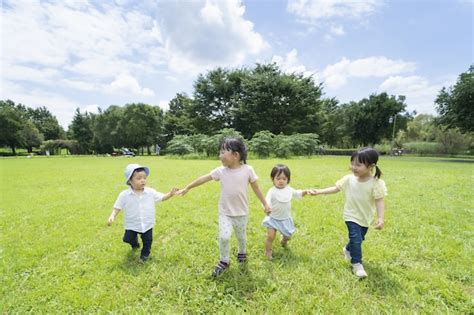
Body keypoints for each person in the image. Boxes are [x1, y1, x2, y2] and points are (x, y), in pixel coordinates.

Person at [177, 137, 271, 277]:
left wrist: (265, 203)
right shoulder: (221, 171)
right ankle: (224, 261)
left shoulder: (248, 170)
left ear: (235, 155)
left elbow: (256, 188)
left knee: (241, 236)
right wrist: (187, 187)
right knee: (224, 237)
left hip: (241, 212)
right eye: (219, 152)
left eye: (223, 152)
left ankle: (242, 252)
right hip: (225, 212)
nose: (219, 156)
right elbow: (204, 178)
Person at [313, 148, 387, 278]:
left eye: (358, 164)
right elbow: (335, 189)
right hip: (351, 215)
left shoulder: (376, 183)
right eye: (352, 163)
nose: (353, 167)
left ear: (371, 166)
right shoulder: (348, 179)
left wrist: (380, 218)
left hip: (365, 217)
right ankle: (357, 264)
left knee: (359, 238)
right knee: (356, 238)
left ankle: (347, 249)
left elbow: (379, 201)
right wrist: (319, 191)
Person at [108, 164, 178, 262]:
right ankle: (135, 244)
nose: (143, 180)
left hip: (147, 223)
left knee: (148, 241)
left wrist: (170, 194)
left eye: (144, 178)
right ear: (130, 181)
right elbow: (117, 207)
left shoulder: (150, 192)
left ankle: (144, 255)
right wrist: (112, 216)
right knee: (127, 239)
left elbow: (162, 197)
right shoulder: (124, 195)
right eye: (139, 178)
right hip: (132, 224)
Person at [262, 164, 314, 260]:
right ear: (272, 179)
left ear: (288, 180)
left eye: (284, 179)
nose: (281, 181)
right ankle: (268, 251)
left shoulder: (289, 190)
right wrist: (267, 207)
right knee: (270, 236)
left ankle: (284, 240)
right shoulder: (272, 191)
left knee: (288, 236)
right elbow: (266, 201)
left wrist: (305, 191)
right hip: (273, 219)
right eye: (278, 178)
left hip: (285, 219)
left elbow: (298, 193)